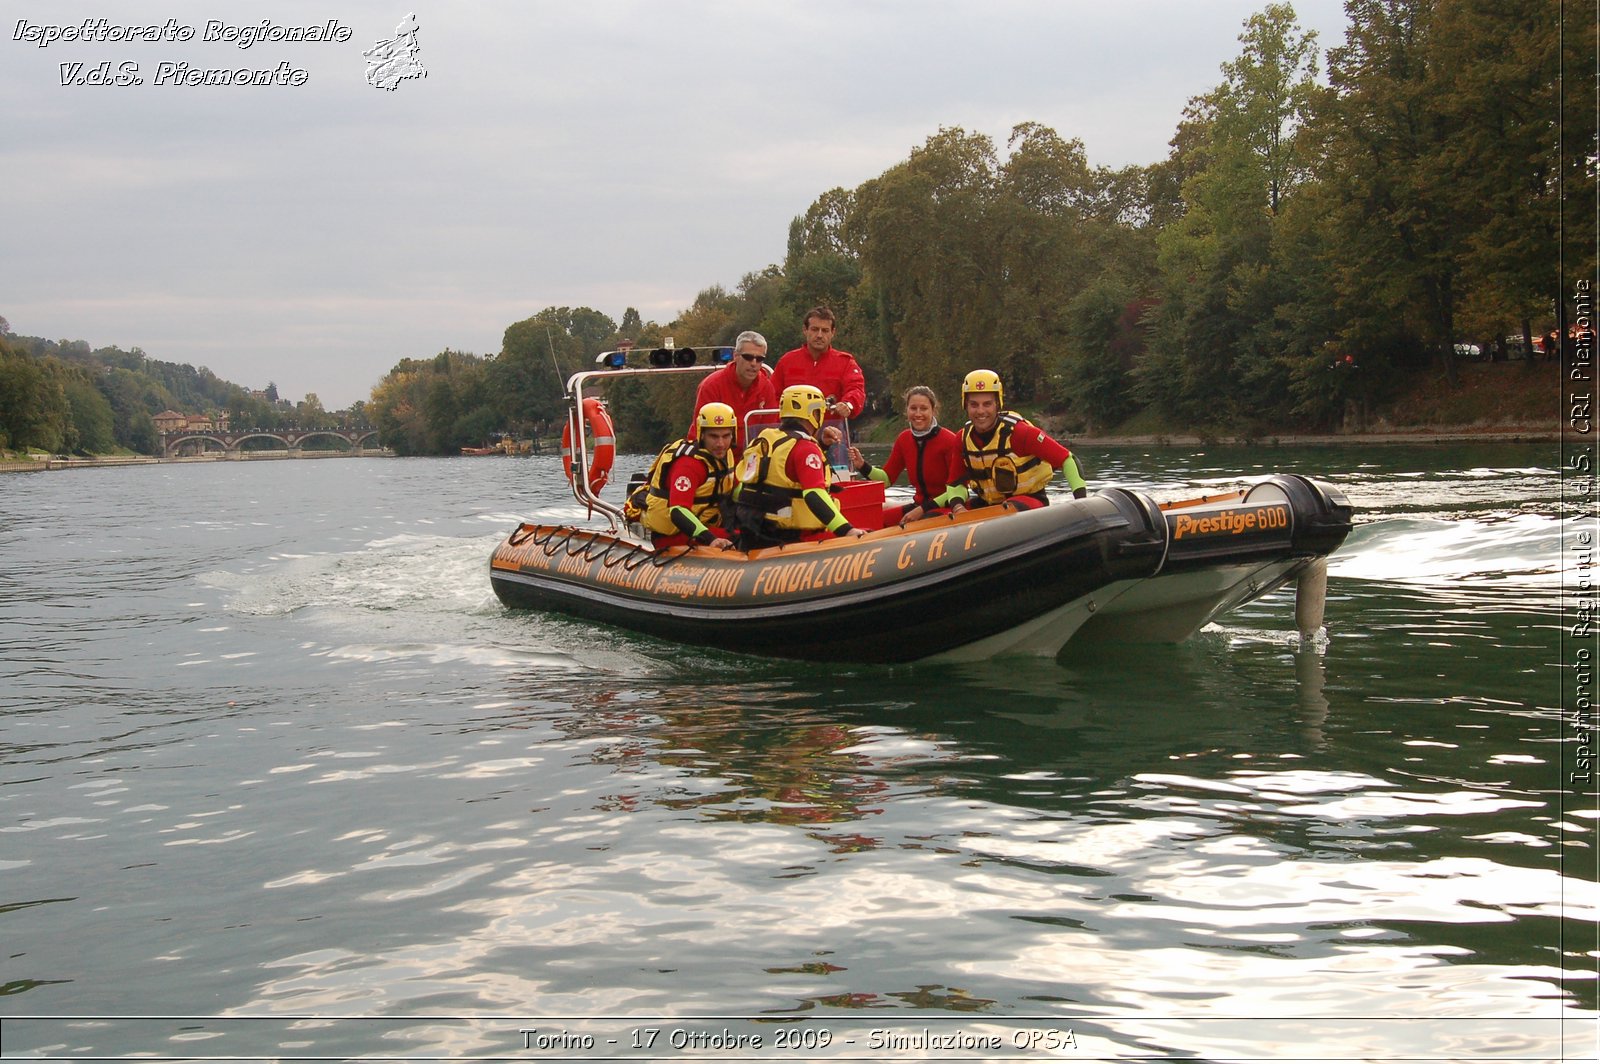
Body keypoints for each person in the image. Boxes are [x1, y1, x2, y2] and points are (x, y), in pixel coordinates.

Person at [730, 385, 868, 548]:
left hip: (752, 532)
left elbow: (752, 485)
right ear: (813, 414)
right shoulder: (805, 448)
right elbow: (814, 495)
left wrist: (822, 445)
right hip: (786, 539)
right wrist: (847, 530)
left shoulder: (764, 439)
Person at [956, 369, 1087, 510]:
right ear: (966, 405)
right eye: (974, 405)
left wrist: (1081, 504)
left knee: (1008, 508)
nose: (981, 411)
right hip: (989, 504)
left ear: (997, 404)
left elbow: (1068, 460)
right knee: (938, 514)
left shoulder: (1020, 433)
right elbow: (954, 484)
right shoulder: (962, 438)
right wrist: (957, 507)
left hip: (1029, 502)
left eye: (987, 404)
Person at [847, 385, 969, 523]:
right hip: (917, 506)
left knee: (923, 520)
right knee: (872, 522)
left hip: (944, 507)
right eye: (913, 408)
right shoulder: (904, 440)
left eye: (923, 408)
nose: (918, 414)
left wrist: (922, 509)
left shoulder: (949, 440)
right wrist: (862, 465)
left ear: (933, 411)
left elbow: (961, 489)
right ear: (907, 411)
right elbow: (886, 480)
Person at [637, 402, 739, 550]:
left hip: (706, 527)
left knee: (757, 532)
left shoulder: (725, 456)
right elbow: (678, 511)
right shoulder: (689, 465)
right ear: (702, 435)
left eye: (726, 436)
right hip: (675, 535)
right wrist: (710, 539)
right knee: (741, 539)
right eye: (713, 436)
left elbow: (736, 491)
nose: (720, 444)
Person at [771, 307, 866, 425]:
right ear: (805, 330)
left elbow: (856, 389)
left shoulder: (845, 363)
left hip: (832, 432)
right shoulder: (787, 362)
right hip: (792, 432)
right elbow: (772, 395)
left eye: (825, 330)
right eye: (815, 329)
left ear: (833, 333)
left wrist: (848, 404)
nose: (820, 335)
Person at [689, 330, 776, 453]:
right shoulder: (711, 386)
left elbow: (770, 433)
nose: (754, 363)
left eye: (759, 359)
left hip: (753, 460)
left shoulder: (767, 388)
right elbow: (700, 434)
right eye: (748, 357)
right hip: (715, 458)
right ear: (735, 356)